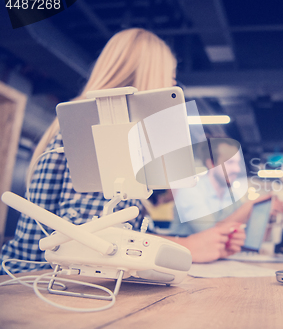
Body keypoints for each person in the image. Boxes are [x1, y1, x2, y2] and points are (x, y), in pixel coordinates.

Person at [0, 28, 244, 274]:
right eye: (169, 76)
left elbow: (106, 230)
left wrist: (201, 244)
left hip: (40, 280)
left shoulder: (86, 127)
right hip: (32, 283)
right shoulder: (101, 130)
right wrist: (187, 246)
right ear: (150, 77)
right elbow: (90, 241)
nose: (173, 84)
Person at [168, 137, 283, 237]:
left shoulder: (232, 197)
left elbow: (247, 238)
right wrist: (250, 206)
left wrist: (270, 217)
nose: (237, 169)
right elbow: (209, 234)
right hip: (187, 262)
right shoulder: (190, 191)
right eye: (230, 163)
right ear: (211, 163)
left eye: (237, 163)